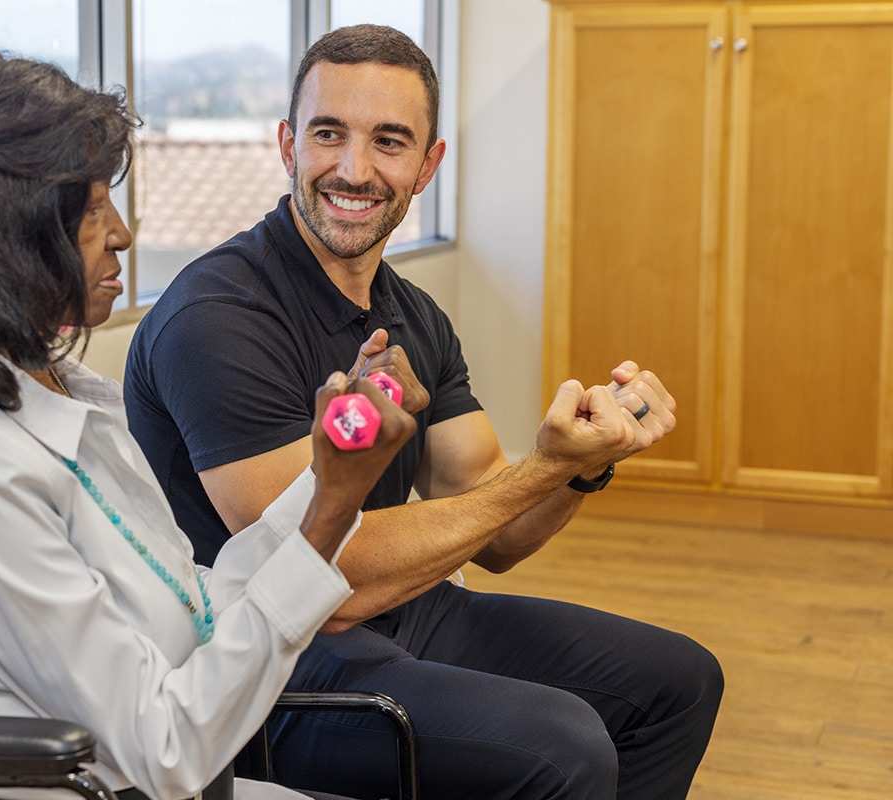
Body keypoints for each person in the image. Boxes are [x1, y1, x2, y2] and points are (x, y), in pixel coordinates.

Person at [0, 39, 417, 800]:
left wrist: (329, 475)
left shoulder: (64, 393)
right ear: (1, 234)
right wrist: (326, 514)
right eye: (94, 211)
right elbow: (162, 751)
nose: (122, 235)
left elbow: (192, 603)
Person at [124, 24, 724, 800]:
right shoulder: (217, 315)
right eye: (328, 134)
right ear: (287, 145)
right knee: (562, 745)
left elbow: (499, 535)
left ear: (429, 164)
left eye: (390, 141)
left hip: (404, 614)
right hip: (266, 661)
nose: (354, 167)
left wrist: (581, 465)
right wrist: (541, 470)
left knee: (678, 682)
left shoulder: (416, 317)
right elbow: (311, 565)